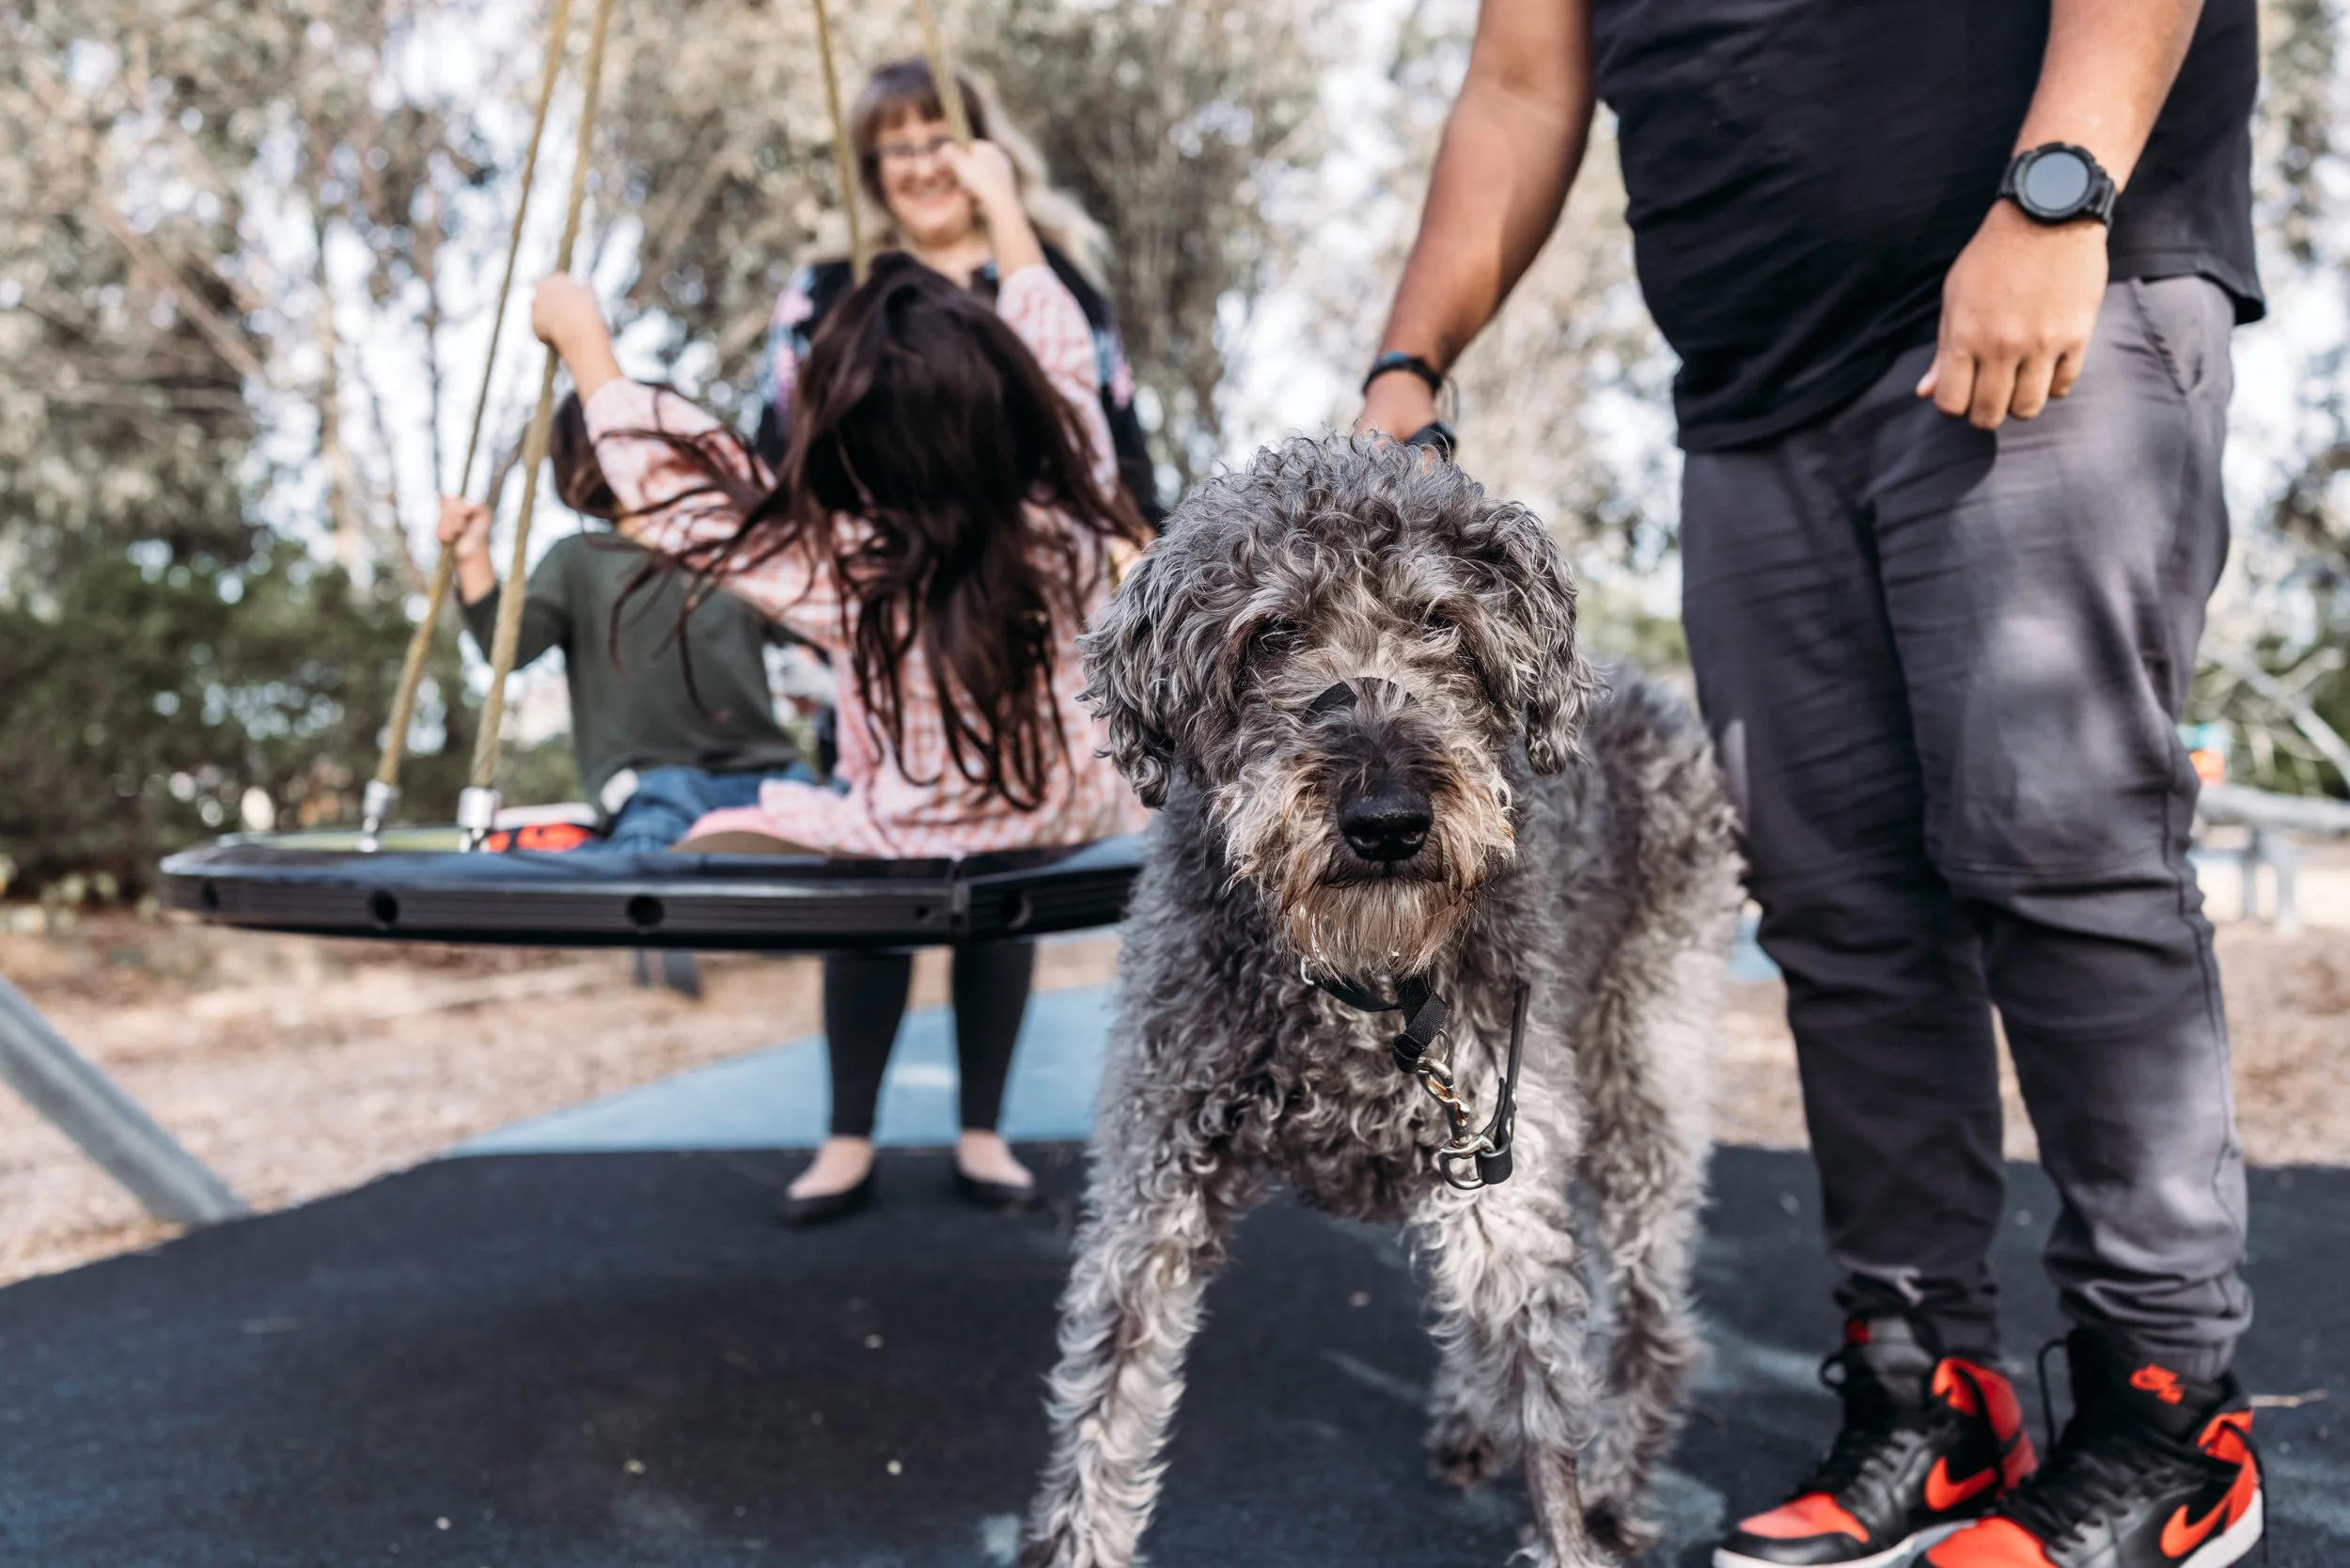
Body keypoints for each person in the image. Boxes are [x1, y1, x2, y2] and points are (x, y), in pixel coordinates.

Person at [1361, 5, 2265, 1568]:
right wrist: (1406, 361)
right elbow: (1520, 81)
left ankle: (2171, 1416)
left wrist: (2058, 187)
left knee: (2063, 854)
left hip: (2037, 269)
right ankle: (1932, 1399)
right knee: (1836, 910)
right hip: (1753, 392)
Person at [525, 139, 1148, 1229]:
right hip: (1077, 816)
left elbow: (688, 506)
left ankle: (792, 850)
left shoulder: (851, 569)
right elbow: (1064, 365)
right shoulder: (1070, 516)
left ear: (850, 445)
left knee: (834, 843)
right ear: (1007, 409)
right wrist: (1007, 209)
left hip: (905, 826)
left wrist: (587, 344)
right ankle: (862, 1129)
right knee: (988, 888)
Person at [754, 58, 1164, 525]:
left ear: (983, 152)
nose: (926, 168)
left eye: (942, 142)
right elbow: (780, 444)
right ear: (873, 169)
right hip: (877, 566)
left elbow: (1113, 437)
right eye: (900, 149)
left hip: (1047, 566)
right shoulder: (828, 292)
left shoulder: (1053, 279)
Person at [436, 395, 806, 855]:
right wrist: (472, 557)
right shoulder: (582, 559)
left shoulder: (729, 551)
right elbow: (506, 648)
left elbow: (817, 627)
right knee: (646, 878)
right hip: (656, 787)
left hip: (776, 779)